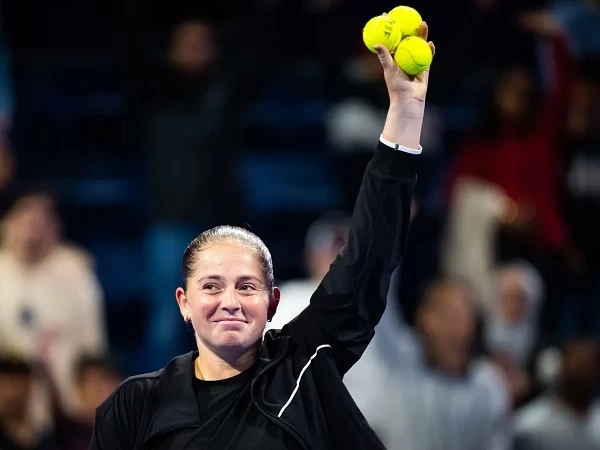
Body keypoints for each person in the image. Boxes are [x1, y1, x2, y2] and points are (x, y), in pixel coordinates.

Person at [89, 21, 435, 450]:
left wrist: (405, 113)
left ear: (273, 302)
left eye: (247, 286)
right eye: (211, 286)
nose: (230, 301)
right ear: (184, 303)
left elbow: (368, 259)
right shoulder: (134, 406)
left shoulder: (302, 366)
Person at [265, 212, 350, 333]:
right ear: (310, 257)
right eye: (333, 248)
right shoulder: (291, 296)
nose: (339, 256)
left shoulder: (370, 302)